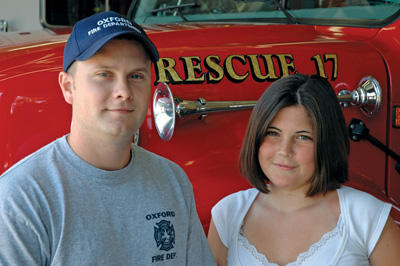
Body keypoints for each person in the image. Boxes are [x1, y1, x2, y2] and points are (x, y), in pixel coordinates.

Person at [0, 11, 216, 265]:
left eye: (136, 76)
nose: (123, 92)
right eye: (104, 74)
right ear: (68, 87)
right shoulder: (21, 198)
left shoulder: (173, 181)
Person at [207, 74, 400, 266]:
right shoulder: (228, 214)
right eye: (273, 133)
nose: (284, 151)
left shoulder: (367, 216)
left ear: (327, 143)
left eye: (302, 137)